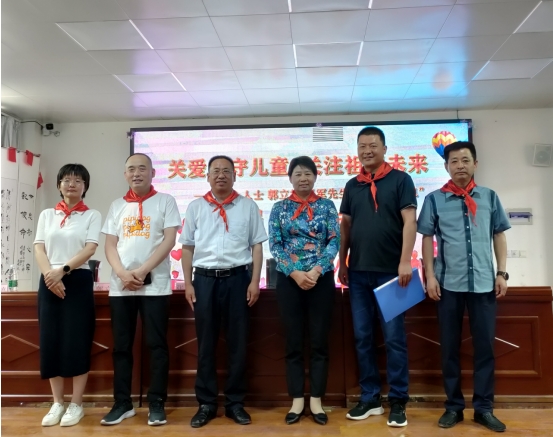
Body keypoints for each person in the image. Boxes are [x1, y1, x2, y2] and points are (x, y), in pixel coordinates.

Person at [417, 141, 510, 433]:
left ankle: (483, 409)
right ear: (446, 166)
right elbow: (427, 239)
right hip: (448, 285)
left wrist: (502, 273)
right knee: (449, 349)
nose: (460, 165)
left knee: (485, 349)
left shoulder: (490, 197)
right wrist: (430, 276)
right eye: (454, 161)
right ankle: (454, 408)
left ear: (475, 164)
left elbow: (499, 235)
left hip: (484, 284)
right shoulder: (434, 200)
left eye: (465, 160)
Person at [180, 155, 267, 428]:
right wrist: (188, 283)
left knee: (238, 344)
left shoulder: (248, 206)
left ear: (235, 176)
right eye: (215, 171)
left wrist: (254, 281)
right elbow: (187, 247)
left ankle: (235, 403)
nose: (221, 175)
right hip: (204, 281)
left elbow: (257, 246)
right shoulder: (196, 207)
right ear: (207, 176)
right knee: (205, 344)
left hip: (238, 279)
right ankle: (206, 404)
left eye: (226, 171)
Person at [339, 126, 417, 427]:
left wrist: (405, 261)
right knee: (362, 337)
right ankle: (370, 398)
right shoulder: (352, 185)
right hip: (358, 274)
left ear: (384, 149)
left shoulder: (401, 179)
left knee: (394, 338)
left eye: (373, 145)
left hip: (392, 274)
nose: (367, 150)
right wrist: (342, 261)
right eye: (362, 146)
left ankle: (398, 401)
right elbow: (346, 226)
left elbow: (409, 222)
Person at [100, 153, 181, 427]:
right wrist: (123, 273)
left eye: (142, 168)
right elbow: (110, 245)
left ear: (152, 173)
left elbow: (169, 240)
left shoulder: (165, 201)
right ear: (125, 174)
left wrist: (144, 269)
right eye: (131, 169)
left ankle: (156, 403)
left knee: (157, 345)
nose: (136, 173)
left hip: (155, 286)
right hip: (121, 287)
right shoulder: (117, 205)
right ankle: (122, 403)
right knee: (121, 346)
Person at [268, 156, 340, 426]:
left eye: (308, 173)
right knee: (293, 341)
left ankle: (316, 400)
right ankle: (297, 399)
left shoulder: (327, 206)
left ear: (315, 177)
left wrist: (317, 270)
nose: (303, 178)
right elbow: (275, 245)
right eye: (297, 174)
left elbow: (334, 241)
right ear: (290, 178)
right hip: (290, 281)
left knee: (319, 341)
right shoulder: (279, 208)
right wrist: (295, 272)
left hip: (321, 279)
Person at [34, 164, 101, 427]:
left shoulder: (91, 215)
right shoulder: (47, 214)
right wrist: (50, 276)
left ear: (85, 186)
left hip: (77, 280)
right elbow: (39, 248)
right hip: (49, 280)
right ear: (59, 185)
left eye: (78, 180)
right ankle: (57, 403)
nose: (71, 184)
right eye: (66, 179)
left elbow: (90, 249)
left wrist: (62, 271)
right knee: (50, 339)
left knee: (77, 340)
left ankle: (76, 404)